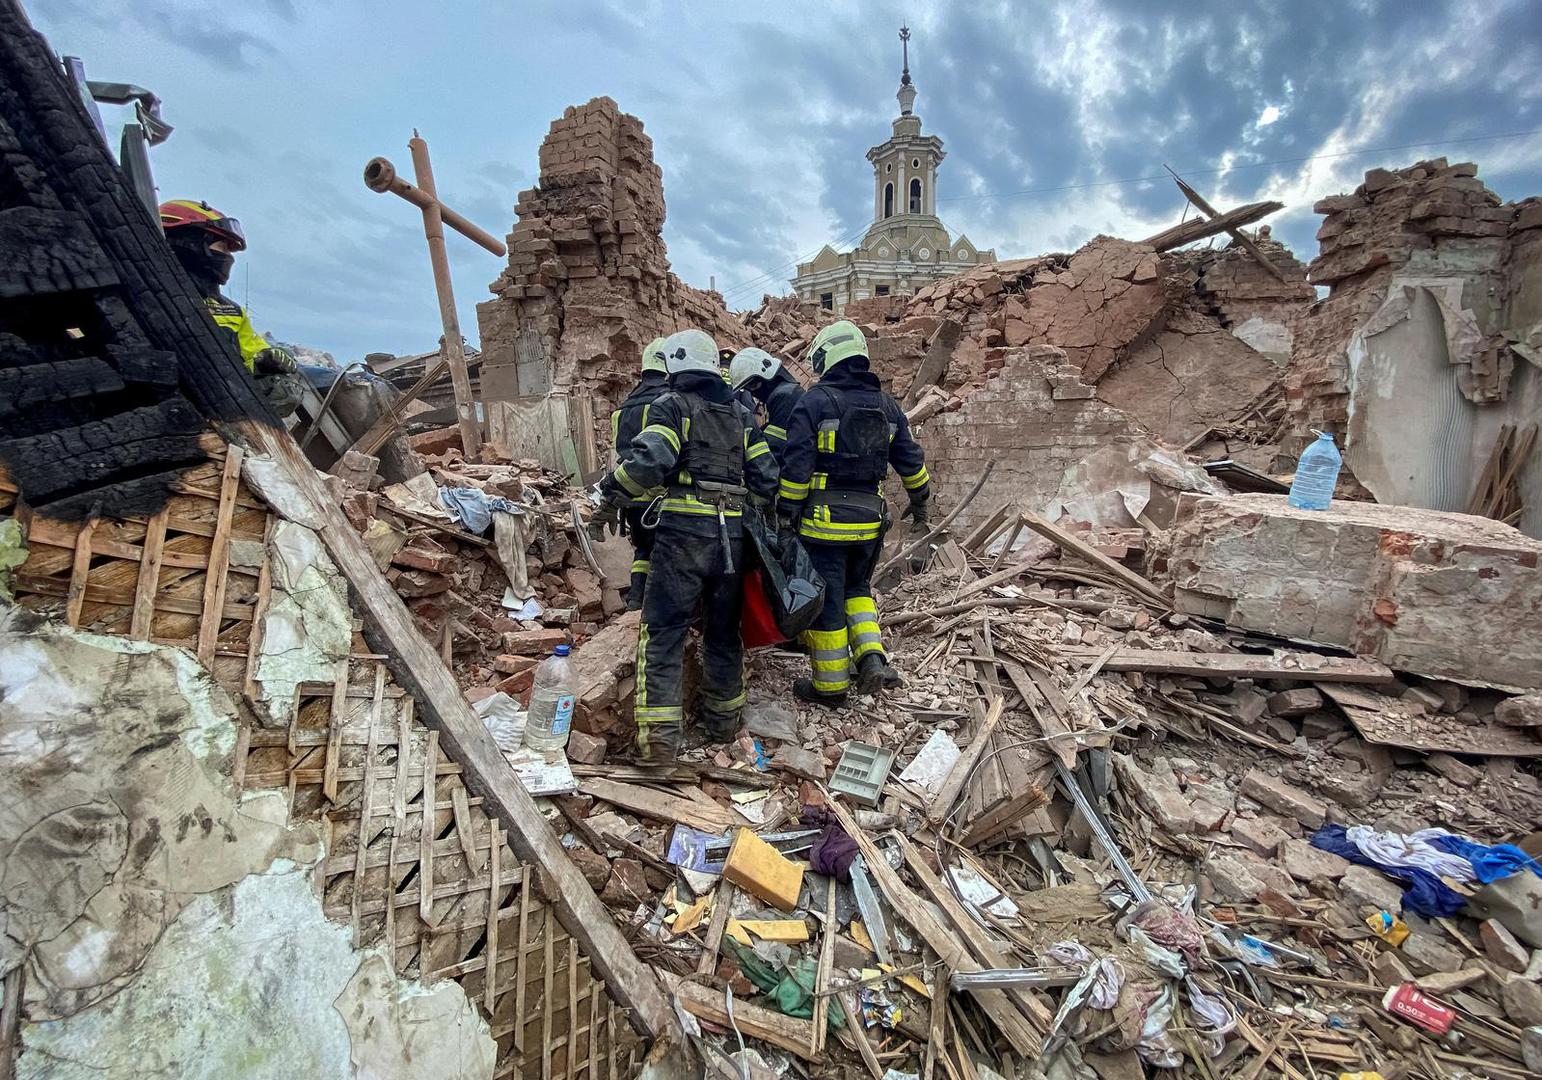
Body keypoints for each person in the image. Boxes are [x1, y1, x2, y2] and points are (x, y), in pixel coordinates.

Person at [590, 329, 779, 762]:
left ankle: (660, 743)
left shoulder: (671, 406)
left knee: (663, 633)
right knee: (723, 634)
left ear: (674, 364)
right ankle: (723, 725)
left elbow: (651, 461)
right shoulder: (741, 414)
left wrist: (609, 493)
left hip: (682, 540)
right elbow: (766, 479)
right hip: (731, 540)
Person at [777, 320, 930, 704]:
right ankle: (872, 658)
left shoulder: (812, 403)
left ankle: (830, 687)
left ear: (827, 356)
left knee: (828, 599)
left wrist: (786, 513)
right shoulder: (889, 407)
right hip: (869, 522)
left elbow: (796, 467)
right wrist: (920, 499)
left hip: (824, 525)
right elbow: (911, 461)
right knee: (858, 590)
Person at [159, 198, 303, 417]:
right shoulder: (151, 298)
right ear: (189, 242)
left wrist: (266, 360)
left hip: (223, 415)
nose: (227, 257)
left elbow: (250, 352)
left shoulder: (231, 311)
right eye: (222, 247)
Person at [608, 336, 671, 610]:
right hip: (661, 494)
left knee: (642, 549)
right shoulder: (666, 402)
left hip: (631, 494)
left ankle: (636, 599)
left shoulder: (621, 409)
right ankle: (658, 607)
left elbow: (620, 452)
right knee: (664, 551)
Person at [728, 347, 804, 465]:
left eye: (752, 385)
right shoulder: (786, 393)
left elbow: (774, 447)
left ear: (765, 374)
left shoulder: (785, 397)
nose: (753, 392)